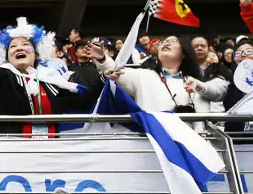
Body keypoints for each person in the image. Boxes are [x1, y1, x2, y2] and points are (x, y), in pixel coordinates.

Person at [93, 36, 226, 127]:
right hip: (153, 145)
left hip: (189, 148)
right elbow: (115, 71)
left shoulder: (195, 82)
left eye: (173, 42)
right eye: (163, 42)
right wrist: (102, 59)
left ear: (184, 53)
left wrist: (198, 86)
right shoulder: (143, 76)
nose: (166, 43)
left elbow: (218, 92)